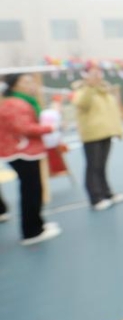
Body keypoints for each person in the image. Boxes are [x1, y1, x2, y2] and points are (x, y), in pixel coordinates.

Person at [0, 73, 62, 245]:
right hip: (21, 152)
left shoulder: (21, 101)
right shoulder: (14, 104)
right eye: (26, 82)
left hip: (25, 151)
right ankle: (32, 232)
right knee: (31, 191)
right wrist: (51, 127)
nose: (31, 85)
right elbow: (23, 128)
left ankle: (37, 225)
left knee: (33, 190)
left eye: (31, 81)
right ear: (14, 86)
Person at [72, 64, 123, 211]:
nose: (97, 76)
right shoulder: (81, 90)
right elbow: (82, 104)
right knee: (93, 167)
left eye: (98, 73)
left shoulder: (105, 91)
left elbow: (112, 112)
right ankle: (95, 198)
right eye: (92, 73)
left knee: (102, 166)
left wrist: (118, 130)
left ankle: (107, 193)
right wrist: (90, 86)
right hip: (92, 135)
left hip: (106, 133)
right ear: (85, 75)